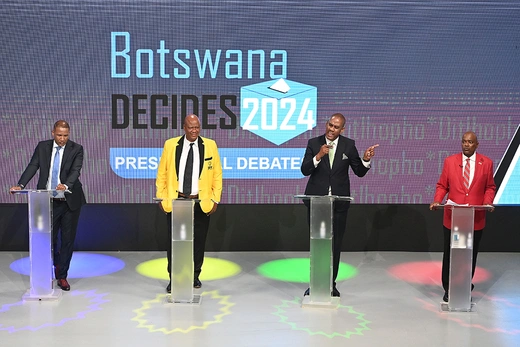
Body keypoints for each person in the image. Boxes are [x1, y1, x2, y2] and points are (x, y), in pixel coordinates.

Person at [301, 113, 379, 297]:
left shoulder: (348, 145)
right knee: (318, 245)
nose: (331, 129)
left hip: (339, 205)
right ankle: (316, 283)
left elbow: (359, 172)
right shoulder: (314, 143)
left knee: (335, 245)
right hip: (317, 204)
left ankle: (330, 284)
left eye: (336, 127)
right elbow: (304, 170)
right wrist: (319, 155)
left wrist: (366, 159)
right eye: (330, 125)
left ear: (342, 129)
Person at [10, 120, 86, 291]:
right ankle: (55, 266)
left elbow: (76, 170)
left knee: (67, 240)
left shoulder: (77, 149)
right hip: (46, 201)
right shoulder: (43, 147)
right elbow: (33, 166)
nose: (62, 139)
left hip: (68, 202)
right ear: (53, 133)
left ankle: (62, 276)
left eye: (65, 135)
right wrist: (20, 185)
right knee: (48, 240)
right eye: (59, 135)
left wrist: (65, 185)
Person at [156, 114, 223, 293]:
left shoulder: (210, 145)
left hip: (201, 202)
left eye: (197, 127)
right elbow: (162, 173)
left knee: (199, 242)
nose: (194, 130)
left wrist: (215, 198)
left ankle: (194, 276)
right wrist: (162, 197)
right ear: (184, 127)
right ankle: (175, 278)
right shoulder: (171, 145)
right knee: (175, 243)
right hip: (176, 201)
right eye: (191, 127)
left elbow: (217, 174)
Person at [430, 131, 495, 302]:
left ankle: (465, 284)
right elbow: (442, 185)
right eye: (464, 142)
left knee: (470, 254)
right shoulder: (450, 162)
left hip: (475, 218)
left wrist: (487, 202)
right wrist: (437, 200)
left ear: (476, 144)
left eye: (470, 142)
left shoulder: (486, 163)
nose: (466, 145)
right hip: (453, 217)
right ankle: (448, 288)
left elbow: (490, 187)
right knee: (451, 253)